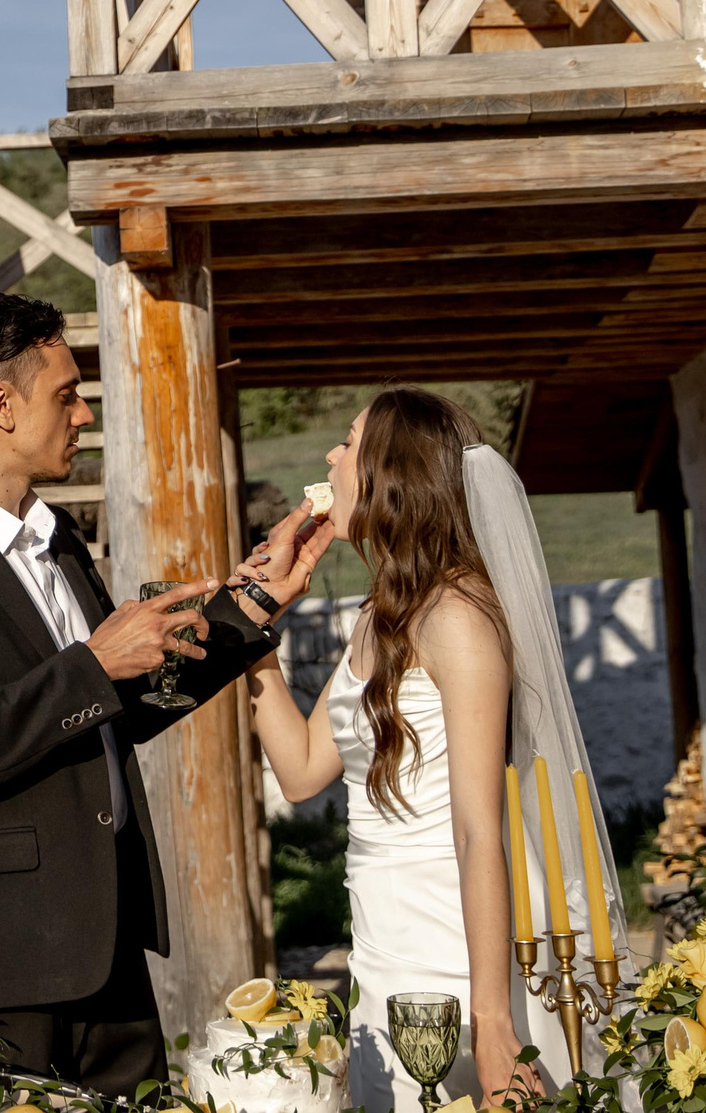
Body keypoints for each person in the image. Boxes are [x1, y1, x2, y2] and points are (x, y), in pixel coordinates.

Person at [0, 292, 336, 1099]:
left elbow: (129, 698)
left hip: (107, 945)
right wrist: (89, 664)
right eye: (66, 394)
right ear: (1, 406)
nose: (82, 413)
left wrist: (254, 602)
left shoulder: (57, 537)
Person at [239, 387, 624, 1107]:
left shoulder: (459, 615)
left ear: (393, 472)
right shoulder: (379, 617)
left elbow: (482, 829)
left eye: (349, 442)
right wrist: (255, 630)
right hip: (384, 931)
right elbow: (298, 772)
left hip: (458, 932)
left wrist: (493, 1016)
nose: (330, 455)